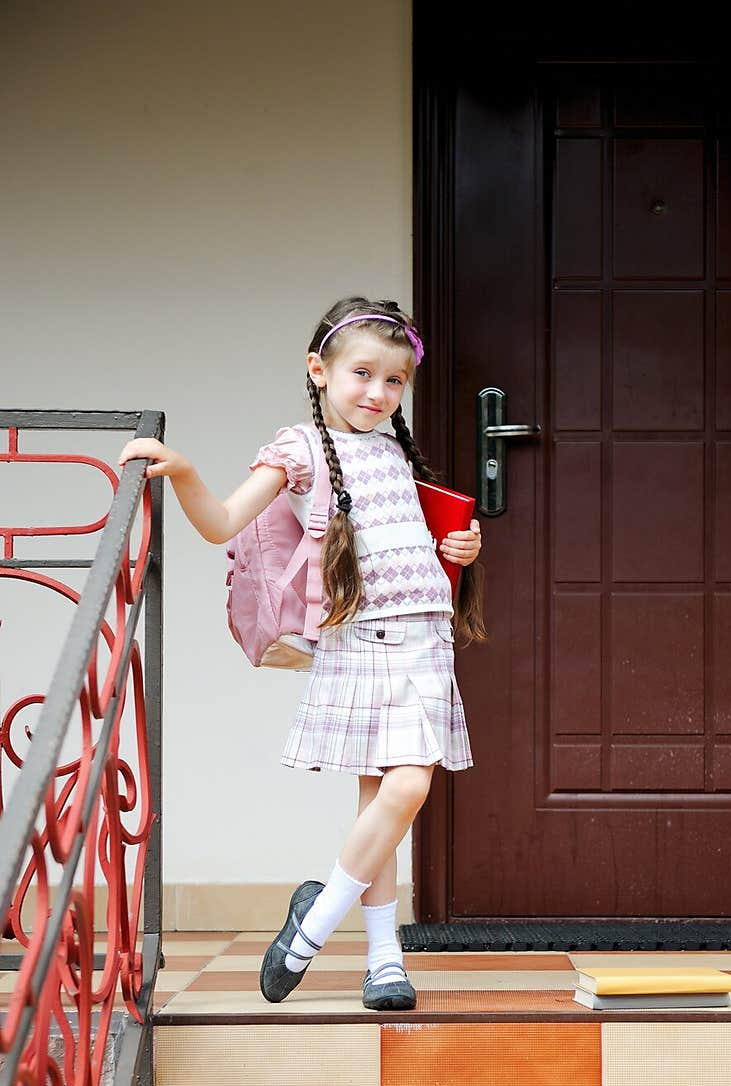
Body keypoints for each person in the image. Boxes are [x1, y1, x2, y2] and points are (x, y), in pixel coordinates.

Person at [118, 295, 485, 1012]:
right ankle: (312, 929)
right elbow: (223, 521)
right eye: (362, 374)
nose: (377, 393)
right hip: (365, 641)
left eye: (394, 381)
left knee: (383, 802)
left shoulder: (392, 449)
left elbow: (409, 545)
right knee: (406, 789)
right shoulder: (300, 448)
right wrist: (185, 471)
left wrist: (462, 551)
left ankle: (381, 962)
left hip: (427, 640)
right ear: (318, 370)